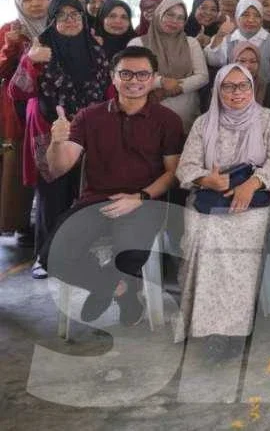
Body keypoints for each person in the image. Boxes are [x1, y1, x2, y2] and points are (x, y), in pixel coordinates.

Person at [42, 46, 182, 325]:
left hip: (145, 202)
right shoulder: (88, 116)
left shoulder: (168, 120)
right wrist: (56, 142)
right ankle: (118, 289)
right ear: (113, 77)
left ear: (153, 78)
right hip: (94, 201)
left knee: (128, 252)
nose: (134, 80)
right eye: (126, 73)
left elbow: (173, 174)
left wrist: (139, 197)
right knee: (51, 256)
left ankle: (112, 287)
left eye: (142, 74)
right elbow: (58, 167)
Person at [174, 62, 270, 359]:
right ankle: (203, 324)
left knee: (238, 238)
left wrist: (252, 183)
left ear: (252, 88)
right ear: (217, 90)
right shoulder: (204, 123)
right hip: (210, 197)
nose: (236, 92)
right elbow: (185, 167)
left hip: (258, 196)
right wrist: (205, 178)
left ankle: (230, 329)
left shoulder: (269, 119)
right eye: (228, 86)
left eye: (243, 86)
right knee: (203, 235)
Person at [9, 0, 112, 279]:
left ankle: (78, 254)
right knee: (52, 196)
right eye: (62, 15)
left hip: (90, 134)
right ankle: (46, 257)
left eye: (75, 14)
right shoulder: (39, 48)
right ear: (52, 20)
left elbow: (108, 92)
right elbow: (17, 92)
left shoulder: (96, 49)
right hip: (50, 133)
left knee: (84, 194)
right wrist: (29, 62)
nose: (70, 20)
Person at [0, 0, 50, 246]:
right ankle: (19, 224)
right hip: (17, 108)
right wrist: (10, 46)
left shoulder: (57, 27)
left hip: (50, 106)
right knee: (18, 166)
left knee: (49, 166)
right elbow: (2, 71)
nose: (35, 4)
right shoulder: (10, 29)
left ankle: (47, 220)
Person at [130, 0, 209, 132]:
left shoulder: (191, 43)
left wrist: (175, 88)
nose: (174, 21)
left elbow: (202, 76)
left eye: (180, 18)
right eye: (170, 14)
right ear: (159, 14)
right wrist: (161, 82)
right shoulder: (137, 44)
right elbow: (133, 77)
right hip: (147, 113)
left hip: (185, 114)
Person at [204, 0, 270, 103]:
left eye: (256, 15)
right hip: (234, 100)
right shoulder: (228, 40)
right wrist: (220, 35)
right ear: (237, 17)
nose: (251, 20)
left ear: (262, 19)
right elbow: (212, 60)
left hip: (265, 100)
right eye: (245, 14)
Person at [233, 41, 270, 114]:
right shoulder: (223, 89)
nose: (248, 66)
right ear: (233, 63)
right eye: (242, 61)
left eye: (253, 61)